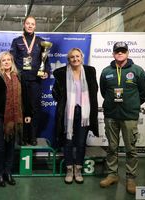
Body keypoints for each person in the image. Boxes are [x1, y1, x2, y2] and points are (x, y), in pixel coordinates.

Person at [99, 42, 145, 194]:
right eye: (117, 51)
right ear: (113, 53)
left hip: (129, 116)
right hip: (111, 115)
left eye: (123, 51)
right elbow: (103, 91)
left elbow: (144, 93)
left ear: (127, 53)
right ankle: (112, 175)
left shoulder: (137, 71)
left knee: (131, 149)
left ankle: (131, 178)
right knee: (112, 147)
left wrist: (131, 104)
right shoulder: (106, 71)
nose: (120, 53)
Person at [0, 51, 31, 187]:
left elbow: (25, 96)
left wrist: (27, 114)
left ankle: (8, 172)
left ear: (12, 61)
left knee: (10, 147)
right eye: (3, 60)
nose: (6, 62)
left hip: (15, 117)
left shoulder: (18, 75)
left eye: (9, 60)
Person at [52, 48, 99, 184]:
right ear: (69, 59)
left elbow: (94, 91)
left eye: (77, 56)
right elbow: (56, 93)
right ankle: (69, 169)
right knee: (68, 142)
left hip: (84, 113)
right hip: (69, 114)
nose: (75, 59)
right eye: (72, 57)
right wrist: (65, 104)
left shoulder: (90, 72)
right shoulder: (61, 74)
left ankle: (78, 169)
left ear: (81, 57)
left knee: (80, 143)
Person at [10, 15, 50, 146]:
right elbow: (12, 61)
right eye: (28, 23)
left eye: (32, 24)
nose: (30, 26)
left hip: (35, 81)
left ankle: (32, 136)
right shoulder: (16, 41)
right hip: (20, 80)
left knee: (34, 109)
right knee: (21, 108)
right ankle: (22, 136)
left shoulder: (41, 41)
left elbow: (46, 61)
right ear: (24, 24)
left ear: (35, 26)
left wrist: (46, 72)